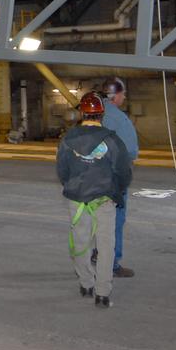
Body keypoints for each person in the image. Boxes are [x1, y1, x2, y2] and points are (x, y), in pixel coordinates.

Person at [56, 92, 132, 308]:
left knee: (81, 243)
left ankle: (86, 284)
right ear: (102, 114)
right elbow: (123, 172)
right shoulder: (112, 140)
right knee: (106, 246)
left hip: (77, 200)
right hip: (104, 200)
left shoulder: (68, 139)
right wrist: (116, 191)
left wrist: (74, 187)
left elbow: (62, 170)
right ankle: (102, 293)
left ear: (82, 113)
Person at [92, 76, 138, 278]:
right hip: (113, 178)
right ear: (116, 95)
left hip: (95, 175)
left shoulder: (96, 113)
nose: (124, 97)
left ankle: (98, 254)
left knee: (98, 219)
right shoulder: (117, 117)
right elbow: (129, 150)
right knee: (115, 221)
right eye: (123, 94)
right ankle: (111, 263)